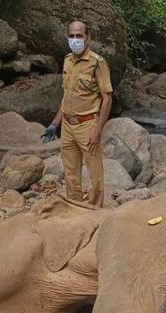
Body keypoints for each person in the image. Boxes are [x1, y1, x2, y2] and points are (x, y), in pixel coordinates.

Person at [42, 20, 113, 208]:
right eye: (71, 36)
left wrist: (97, 131)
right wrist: (54, 124)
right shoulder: (67, 60)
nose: (75, 40)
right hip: (67, 126)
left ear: (87, 38)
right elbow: (67, 96)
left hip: (88, 125)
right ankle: (75, 209)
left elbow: (107, 98)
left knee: (95, 175)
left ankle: (95, 211)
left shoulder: (97, 63)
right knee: (71, 174)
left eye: (79, 35)